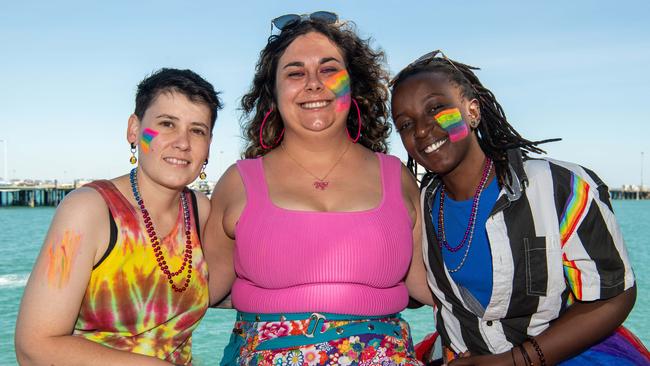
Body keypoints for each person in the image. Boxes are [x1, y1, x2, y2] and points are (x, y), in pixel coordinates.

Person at [390, 50, 648, 365]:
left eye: (437, 109)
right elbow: (408, 285)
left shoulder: (560, 188)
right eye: (405, 124)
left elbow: (614, 293)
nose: (421, 130)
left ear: (472, 111)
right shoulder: (419, 206)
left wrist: (514, 361)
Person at [203, 12, 433, 366]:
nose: (313, 83)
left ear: (352, 85)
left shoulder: (397, 177)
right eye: (295, 72)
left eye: (329, 70)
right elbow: (197, 293)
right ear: (273, 92)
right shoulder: (239, 182)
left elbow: (430, 286)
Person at [15, 68, 222, 365]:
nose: (183, 142)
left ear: (209, 145)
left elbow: (224, 288)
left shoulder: (200, 210)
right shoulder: (89, 210)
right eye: (166, 124)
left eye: (197, 130)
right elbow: (34, 347)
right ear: (134, 129)